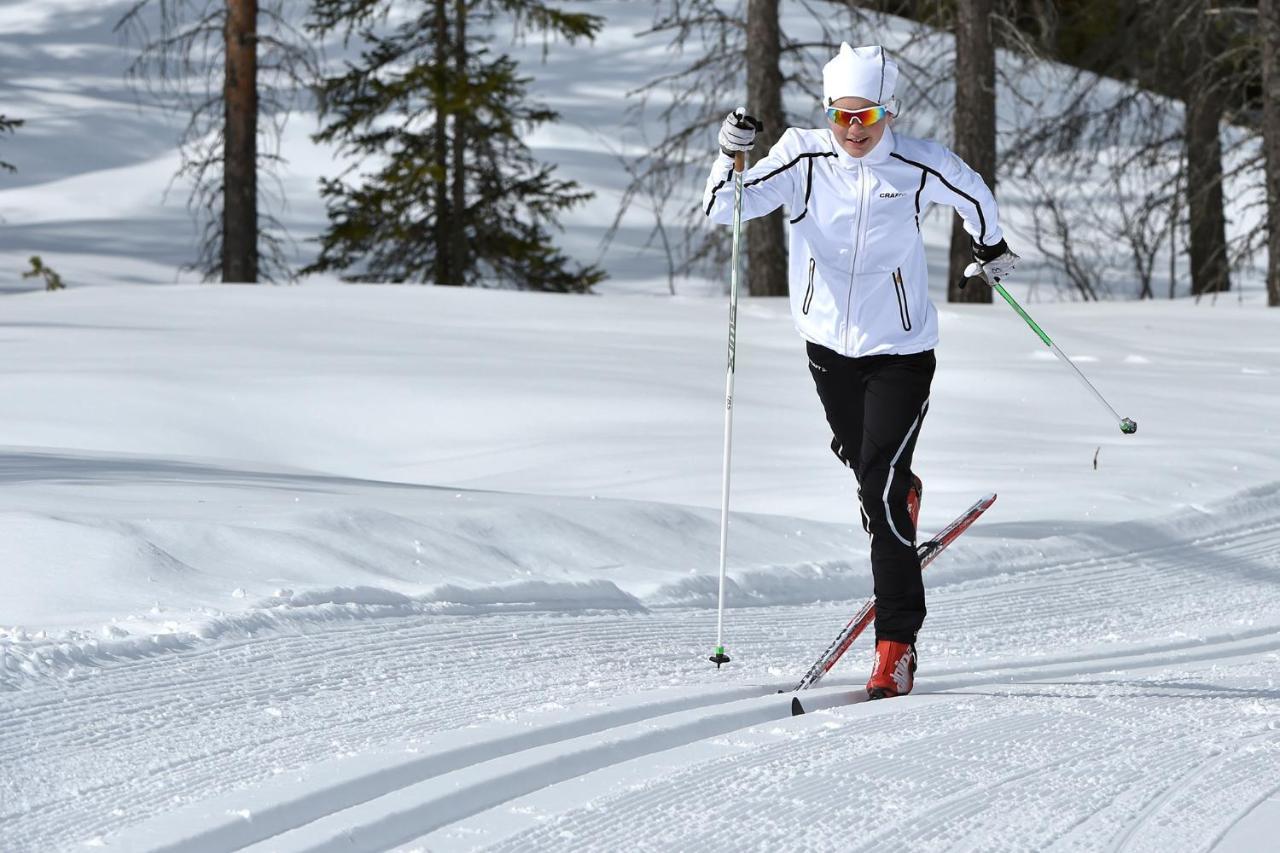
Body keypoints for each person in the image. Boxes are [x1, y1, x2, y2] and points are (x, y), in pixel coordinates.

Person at [703, 43, 1018, 700]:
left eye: (866, 115)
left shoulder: (915, 161)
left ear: (887, 110)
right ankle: (900, 495)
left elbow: (974, 192)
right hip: (826, 349)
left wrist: (990, 248)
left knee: (876, 490)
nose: (853, 129)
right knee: (865, 464)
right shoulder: (803, 157)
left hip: (900, 352)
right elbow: (725, 207)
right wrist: (728, 156)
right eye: (841, 115)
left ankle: (896, 643)